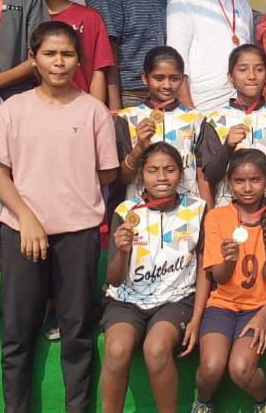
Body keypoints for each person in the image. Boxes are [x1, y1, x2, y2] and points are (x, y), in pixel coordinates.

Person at [0, 21, 119, 412]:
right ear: (33, 59)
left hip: (78, 234)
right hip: (22, 233)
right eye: (49, 54)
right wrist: (27, 217)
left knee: (77, 332)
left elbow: (107, 173)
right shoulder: (13, 109)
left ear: (79, 60)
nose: (59, 62)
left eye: (67, 54)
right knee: (18, 332)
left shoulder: (93, 111)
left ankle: (77, 406)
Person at [100, 142, 209, 413]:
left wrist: (196, 319)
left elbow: (205, 269)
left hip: (176, 300)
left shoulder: (197, 210)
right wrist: (123, 252)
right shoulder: (126, 212)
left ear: (181, 175)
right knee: (116, 351)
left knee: (156, 349)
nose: (162, 177)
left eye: (169, 170)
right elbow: (113, 280)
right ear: (141, 177)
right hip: (127, 301)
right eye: (153, 171)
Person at [195, 149, 266, 413]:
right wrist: (227, 259)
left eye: (255, 180)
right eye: (239, 181)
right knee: (210, 368)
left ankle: (264, 399)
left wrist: (263, 315)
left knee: (241, 369)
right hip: (223, 305)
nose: (247, 188)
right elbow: (220, 277)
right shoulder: (216, 216)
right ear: (229, 182)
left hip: (260, 308)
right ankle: (203, 401)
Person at [168, 0, 255, 111]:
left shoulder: (242, 3)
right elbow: (177, 62)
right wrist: (188, 110)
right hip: (202, 106)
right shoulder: (183, 0)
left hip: (241, 106)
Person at [115, 46, 209, 206]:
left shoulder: (196, 118)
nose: (167, 85)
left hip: (186, 212)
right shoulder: (128, 117)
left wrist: (207, 212)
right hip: (141, 211)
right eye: (159, 78)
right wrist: (139, 149)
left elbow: (203, 174)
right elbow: (123, 177)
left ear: (183, 79)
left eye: (174, 78)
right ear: (145, 78)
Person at [200, 44, 266, 207]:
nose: (251, 76)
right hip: (230, 212)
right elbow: (210, 176)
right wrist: (227, 147)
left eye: (259, 69)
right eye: (243, 69)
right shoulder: (215, 119)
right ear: (230, 77)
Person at [26, 0, 114, 103]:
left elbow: (98, 72)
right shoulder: (23, 17)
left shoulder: (89, 17)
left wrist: (94, 113)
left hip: (78, 109)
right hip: (35, 110)